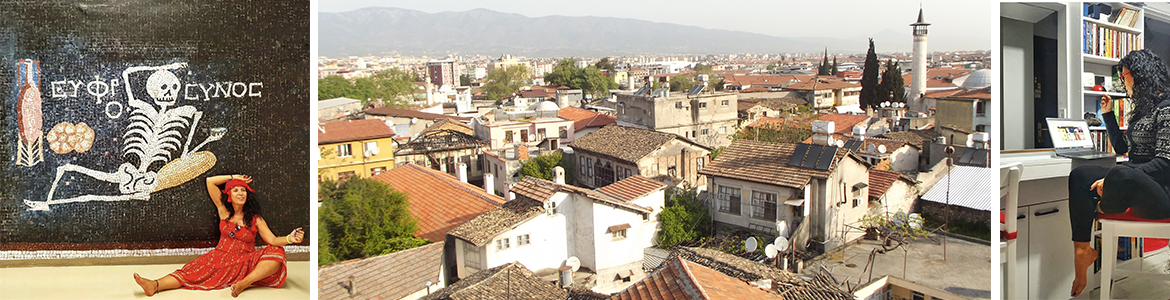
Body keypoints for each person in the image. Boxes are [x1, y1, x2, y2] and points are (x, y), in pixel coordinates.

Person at [1069, 49, 1170, 297]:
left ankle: (1109, 198)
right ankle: (1083, 250)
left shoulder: (1167, 108)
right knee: (1080, 175)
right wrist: (1108, 116)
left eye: (1123, 76)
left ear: (1139, 75)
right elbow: (1124, 149)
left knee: (1119, 174)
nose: (1122, 82)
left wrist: (1114, 180)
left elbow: (1165, 164)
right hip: (1132, 182)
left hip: (1160, 194)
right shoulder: (1142, 110)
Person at [132, 174, 304, 297]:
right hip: (219, 257)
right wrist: (234, 176)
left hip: (244, 261)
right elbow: (210, 182)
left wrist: (290, 238)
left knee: (277, 251)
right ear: (229, 196)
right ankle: (154, 285)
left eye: (243, 190)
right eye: (236, 190)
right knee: (191, 272)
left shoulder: (255, 219)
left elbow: (273, 240)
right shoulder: (224, 212)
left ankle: (244, 283)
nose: (240, 193)